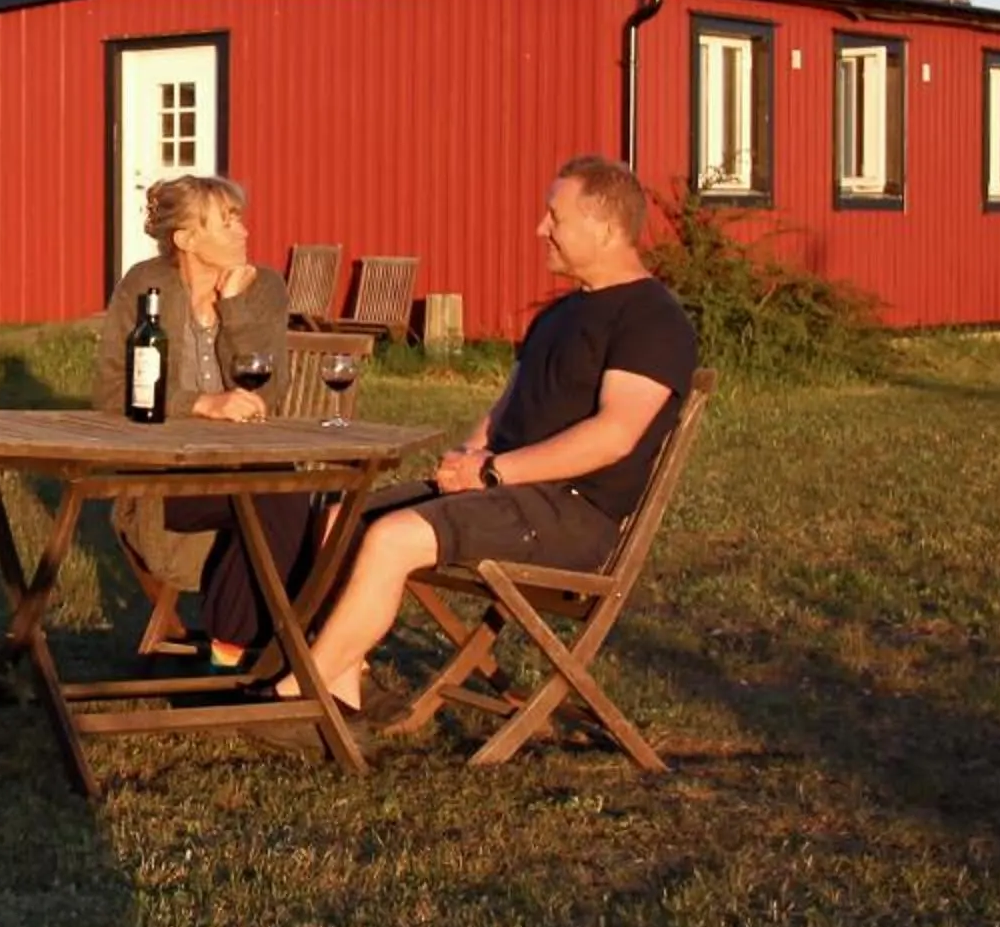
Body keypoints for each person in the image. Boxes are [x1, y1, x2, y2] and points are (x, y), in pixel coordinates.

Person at [289, 154, 699, 715]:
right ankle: (344, 684)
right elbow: (506, 406)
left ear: (605, 229)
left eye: (555, 217)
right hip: (506, 490)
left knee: (391, 538)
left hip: (572, 511)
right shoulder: (559, 315)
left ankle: (301, 693)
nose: (540, 229)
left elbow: (613, 436)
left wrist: (491, 471)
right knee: (339, 519)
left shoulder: (651, 320)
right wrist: (470, 454)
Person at [93, 174, 318, 664]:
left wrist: (234, 307)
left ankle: (232, 650)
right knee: (287, 497)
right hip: (166, 482)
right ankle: (293, 649)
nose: (243, 231)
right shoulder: (144, 285)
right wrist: (200, 403)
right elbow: (112, 391)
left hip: (245, 467)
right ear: (186, 239)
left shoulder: (264, 289)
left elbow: (266, 392)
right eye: (227, 221)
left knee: (287, 495)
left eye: (240, 218)